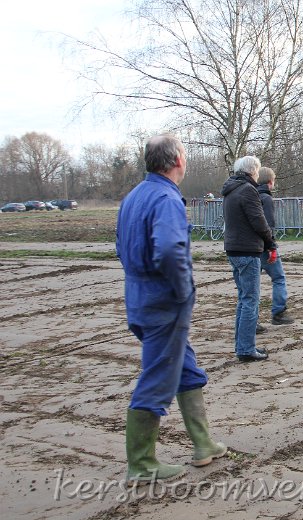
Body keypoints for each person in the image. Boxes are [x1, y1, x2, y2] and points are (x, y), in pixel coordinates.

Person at [116, 133, 227, 485]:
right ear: (179, 160)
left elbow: (120, 245)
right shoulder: (166, 198)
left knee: (184, 368)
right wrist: (183, 291)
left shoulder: (134, 196)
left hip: (138, 295)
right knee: (158, 377)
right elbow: (167, 250)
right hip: (163, 301)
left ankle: (203, 444)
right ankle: (141, 463)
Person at [221, 155, 277, 361]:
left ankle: (242, 345)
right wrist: (271, 243)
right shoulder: (248, 190)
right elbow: (259, 221)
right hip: (247, 250)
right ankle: (245, 348)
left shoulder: (231, 190)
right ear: (253, 170)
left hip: (234, 249)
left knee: (243, 299)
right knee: (250, 300)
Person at [256, 167, 295, 325]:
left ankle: (252, 319)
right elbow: (268, 224)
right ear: (271, 182)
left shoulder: (250, 195)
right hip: (264, 246)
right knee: (279, 278)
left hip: (251, 247)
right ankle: (278, 311)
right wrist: (271, 246)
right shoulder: (266, 199)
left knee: (252, 284)